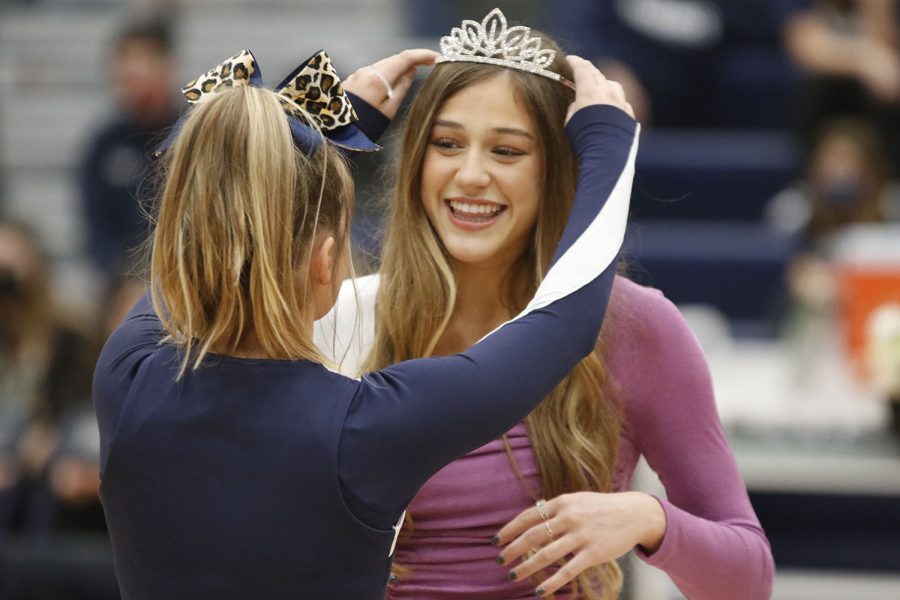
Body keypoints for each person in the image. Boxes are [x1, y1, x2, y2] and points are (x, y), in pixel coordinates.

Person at [92, 39, 639, 599]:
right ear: (325, 262)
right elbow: (565, 325)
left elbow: (200, 242)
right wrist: (609, 141)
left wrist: (314, 132)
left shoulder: (127, 376)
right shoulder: (363, 430)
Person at [315, 9, 774, 599]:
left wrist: (649, 519)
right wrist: (315, 136)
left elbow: (748, 579)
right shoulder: (344, 316)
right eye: (448, 144)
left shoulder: (633, 325)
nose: (471, 174)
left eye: (507, 152)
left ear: (557, 172)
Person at [79, 15, 180, 281]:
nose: (134, 83)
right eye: (126, 75)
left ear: (167, 67)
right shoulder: (104, 144)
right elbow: (96, 230)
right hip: (121, 284)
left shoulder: (194, 132)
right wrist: (122, 278)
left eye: (143, 69)